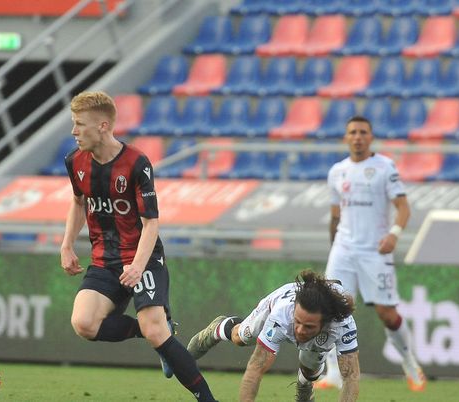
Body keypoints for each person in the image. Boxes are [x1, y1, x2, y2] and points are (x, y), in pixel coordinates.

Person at [60, 90, 217, 401]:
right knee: (84, 323)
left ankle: (207, 399)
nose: (74, 132)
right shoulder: (74, 161)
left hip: (143, 258)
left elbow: (151, 224)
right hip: (105, 259)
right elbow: (78, 203)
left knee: (156, 330)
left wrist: (137, 265)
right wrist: (67, 245)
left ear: (103, 126)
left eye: (79, 124)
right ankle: (151, 333)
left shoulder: (136, 163)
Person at [315, 115, 426, 392]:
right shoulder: (337, 172)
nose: (357, 137)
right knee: (329, 309)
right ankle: (333, 373)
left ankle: (409, 362)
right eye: (352, 132)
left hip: (374, 251)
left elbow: (403, 208)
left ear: (371, 136)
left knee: (387, 313)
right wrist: (335, 248)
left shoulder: (384, 167)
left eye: (363, 132)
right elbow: (335, 215)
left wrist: (394, 235)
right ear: (345, 137)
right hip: (344, 249)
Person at [187, 269, 359, 402]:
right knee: (242, 338)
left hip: (324, 322)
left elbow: (350, 377)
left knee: (310, 370)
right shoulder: (281, 315)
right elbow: (256, 369)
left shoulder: (342, 325)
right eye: (297, 322)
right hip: (278, 302)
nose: (299, 330)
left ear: (325, 323)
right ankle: (220, 327)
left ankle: (304, 388)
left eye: (308, 326)